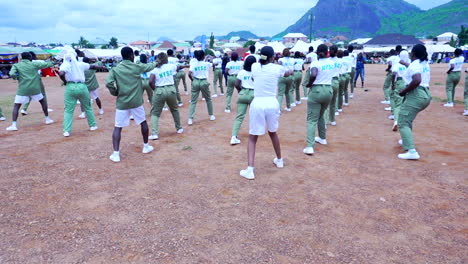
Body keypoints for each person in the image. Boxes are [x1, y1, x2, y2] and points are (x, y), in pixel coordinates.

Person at [239, 46, 293, 180]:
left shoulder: (255, 67)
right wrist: (290, 69)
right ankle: (279, 160)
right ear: (272, 57)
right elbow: (287, 73)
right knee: (273, 132)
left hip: (258, 103)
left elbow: (253, 77)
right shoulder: (277, 68)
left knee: (253, 137)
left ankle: (250, 169)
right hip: (272, 103)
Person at [106, 47, 157, 163]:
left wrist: (115, 92)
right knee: (143, 122)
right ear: (130, 55)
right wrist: (157, 61)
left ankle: (116, 154)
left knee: (118, 127)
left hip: (122, 102)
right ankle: (146, 146)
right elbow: (149, 66)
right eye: (133, 55)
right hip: (136, 101)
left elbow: (108, 83)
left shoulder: (116, 69)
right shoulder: (136, 67)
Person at [396, 44, 432, 160]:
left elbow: (417, 80)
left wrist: (404, 91)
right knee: (408, 118)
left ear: (414, 54)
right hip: (425, 93)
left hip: (416, 94)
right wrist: (406, 64)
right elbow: (414, 68)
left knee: (402, 120)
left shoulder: (415, 64)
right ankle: (406, 140)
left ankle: (412, 151)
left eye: (411, 52)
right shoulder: (424, 63)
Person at [57, 48, 101, 137]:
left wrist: (65, 81)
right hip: (82, 86)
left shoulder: (65, 65)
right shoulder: (80, 64)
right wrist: (102, 67)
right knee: (88, 107)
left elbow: (61, 74)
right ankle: (92, 126)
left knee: (68, 110)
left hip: (70, 87)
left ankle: (67, 131)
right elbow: (93, 66)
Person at [6, 52, 54, 131]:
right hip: (35, 88)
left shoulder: (17, 65)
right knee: (42, 101)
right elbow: (47, 65)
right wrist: (53, 62)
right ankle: (47, 119)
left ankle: (14, 125)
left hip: (23, 89)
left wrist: (17, 78)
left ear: (22, 58)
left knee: (16, 106)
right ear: (29, 57)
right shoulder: (34, 64)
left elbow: (12, 73)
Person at [303, 44, 334, 155]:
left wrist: (309, 84)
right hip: (329, 90)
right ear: (327, 52)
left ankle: (310, 146)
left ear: (317, 53)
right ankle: (322, 138)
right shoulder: (331, 63)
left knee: (311, 119)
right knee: (321, 115)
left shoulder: (315, 63)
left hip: (316, 91)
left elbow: (314, 74)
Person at [148, 52, 184, 140]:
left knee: (155, 113)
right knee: (174, 109)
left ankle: (155, 133)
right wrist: (185, 65)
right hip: (171, 89)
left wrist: (155, 89)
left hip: (160, 90)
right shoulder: (171, 66)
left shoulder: (155, 69)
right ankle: (179, 128)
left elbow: (150, 81)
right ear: (166, 59)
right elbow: (179, 67)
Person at [230, 56, 256, 145]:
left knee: (239, 116)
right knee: (254, 115)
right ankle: (254, 133)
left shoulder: (241, 72)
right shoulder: (256, 72)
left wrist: (240, 91)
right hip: (253, 94)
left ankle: (234, 136)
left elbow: (236, 84)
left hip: (243, 93)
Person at [188, 50, 216, 125]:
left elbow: (189, 74)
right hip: (204, 82)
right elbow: (213, 64)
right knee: (208, 99)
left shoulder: (193, 64)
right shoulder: (206, 64)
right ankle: (211, 115)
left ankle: (190, 118)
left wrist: (193, 80)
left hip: (196, 81)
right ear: (203, 56)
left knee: (193, 101)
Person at [390, 50, 410, 132]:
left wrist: (393, 84)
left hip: (400, 82)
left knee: (398, 104)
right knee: (406, 103)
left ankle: (396, 121)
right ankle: (405, 121)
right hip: (409, 83)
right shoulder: (410, 64)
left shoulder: (398, 64)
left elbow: (394, 73)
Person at [328, 45, 341, 126]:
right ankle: (332, 120)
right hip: (336, 81)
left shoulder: (327, 61)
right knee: (333, 102)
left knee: (325, 104)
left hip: (328, 82)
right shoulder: (340, 61)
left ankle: (325, 121)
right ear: (337, 52)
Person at [335, 50, 346, 116]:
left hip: (338, 77)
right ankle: (340, 107)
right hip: (343, 76)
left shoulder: (335, 61)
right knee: (341, 93)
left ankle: (336, 110)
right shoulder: (344, 61)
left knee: (336, 94)